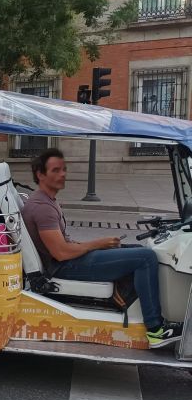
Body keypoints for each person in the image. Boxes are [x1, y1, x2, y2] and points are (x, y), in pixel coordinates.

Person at [22, 148, 182, 349]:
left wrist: (97, 245)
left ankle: (125, 299)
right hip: (65, 266)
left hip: (69, 260)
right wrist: (98, 244)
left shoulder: (48, 200)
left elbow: (63, 245)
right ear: (40, 174)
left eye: (64, 169)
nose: (62, 174)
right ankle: (155, 329)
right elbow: (61, 253)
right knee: (146, 258)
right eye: (55, 170)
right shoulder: (42, 207)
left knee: (133, 248)